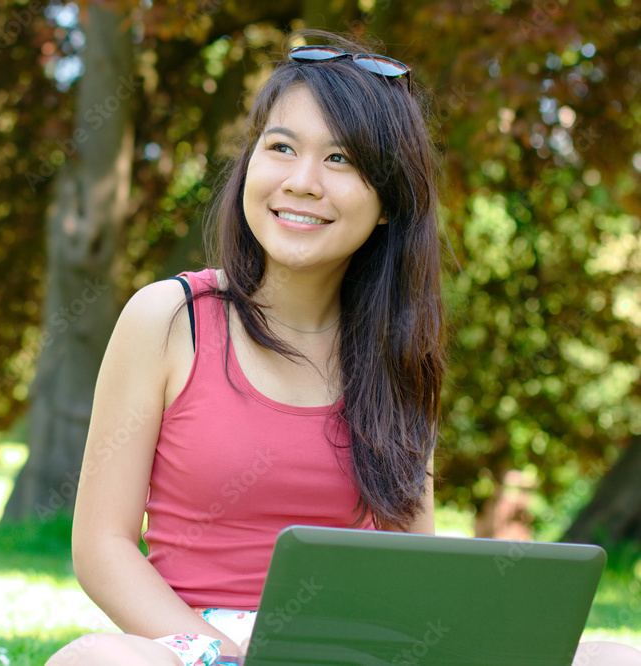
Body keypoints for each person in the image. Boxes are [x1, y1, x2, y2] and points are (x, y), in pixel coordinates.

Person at [47, 29, 641, 666]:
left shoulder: (399, 353)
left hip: (353, 650)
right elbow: (103, 546)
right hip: (193, 648)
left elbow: (412, 564)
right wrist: (225, 657)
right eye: (281, 147)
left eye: (342, 160)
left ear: (388, 203)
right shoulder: (170, 318)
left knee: (616, 657)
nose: (302, 182)